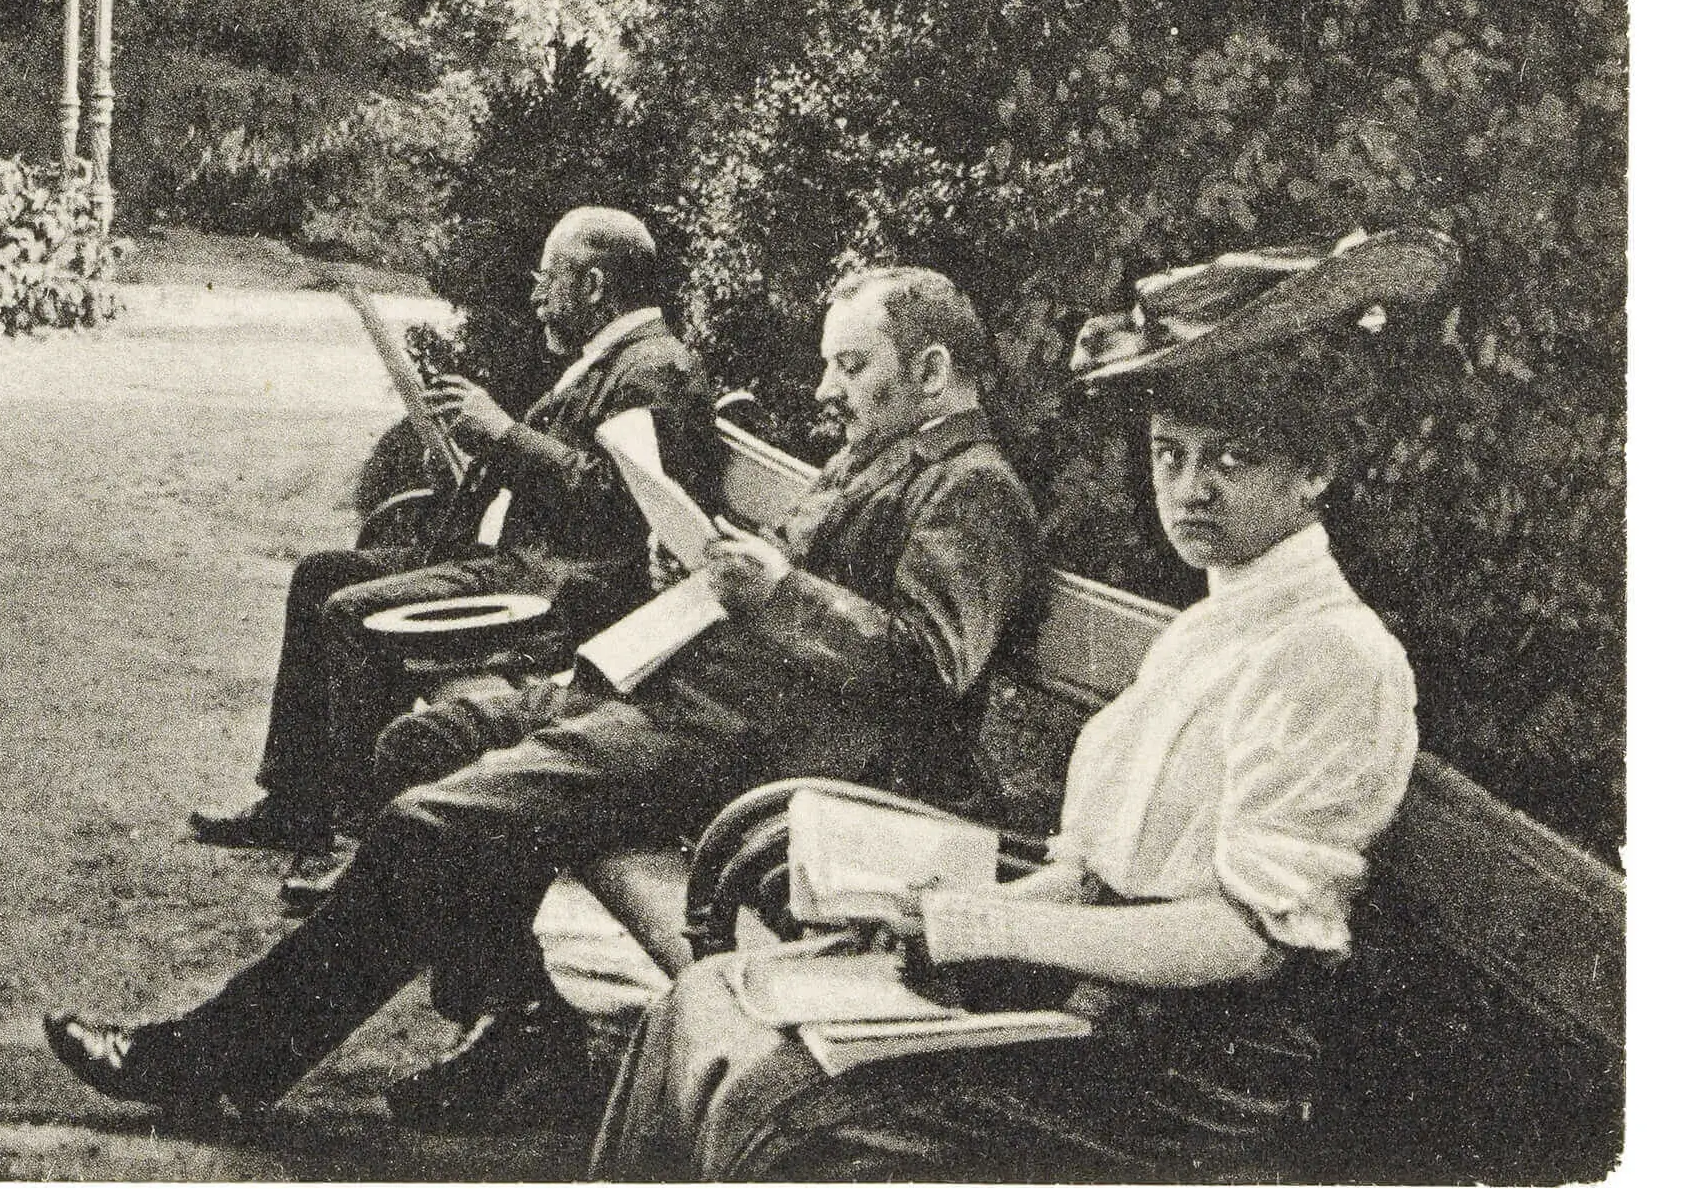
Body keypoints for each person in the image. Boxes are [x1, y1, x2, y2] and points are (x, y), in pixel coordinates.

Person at [53, 263, 1043, 1126]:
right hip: (684, 695)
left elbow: (929, 666)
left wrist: (777, 589)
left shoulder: (971, 484)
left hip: (761, 758)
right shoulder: (884, 450)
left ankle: (211, 1062)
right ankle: (522, 1029)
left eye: (852, 365)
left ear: (931, 370)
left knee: (433, 824)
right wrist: (696, 563)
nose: (829, 387)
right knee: (423, 742)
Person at [590, 230, 1447, 1182]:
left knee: (778, 1101)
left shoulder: (1334, 652)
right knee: (708, 999)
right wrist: (943, 911)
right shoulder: (1213, 627)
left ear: (1314, 468)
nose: (1190, 489)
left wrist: (985, 927)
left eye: (1233, 458)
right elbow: (1096, 871)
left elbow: (1250, 942)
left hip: (1193, 1075)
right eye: (1171, 454)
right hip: (1104, 1008)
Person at [192, 207, 722, 858]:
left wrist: (504, 433)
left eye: (547, 277)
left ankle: (367, 842)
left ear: (593, 284)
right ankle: (296, 804)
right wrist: (474, 451)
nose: (535, 294)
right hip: (517, 565)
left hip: (559, 595)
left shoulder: (654, 366)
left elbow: (622, 506)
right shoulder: (617, 359)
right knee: (323, 575)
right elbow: (573, 481)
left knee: (354, 614)